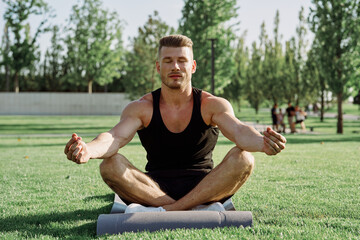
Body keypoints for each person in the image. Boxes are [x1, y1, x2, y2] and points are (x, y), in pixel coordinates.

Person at [64, 35, 286, 213]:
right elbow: (114, 137)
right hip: (152, 188)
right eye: (168, 61)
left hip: (206, 186)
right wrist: (88, 149)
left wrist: (262, 141)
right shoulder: (141, 107)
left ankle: (170, 210)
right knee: (109, 165)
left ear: (193, 66)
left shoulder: (211, 104)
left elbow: (238, 131)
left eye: (182, 60)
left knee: (245, 158)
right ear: (158, 67)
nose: (176, 67)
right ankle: (183, 208)